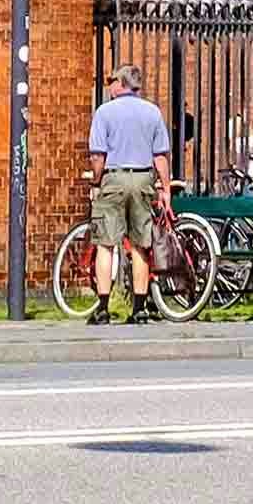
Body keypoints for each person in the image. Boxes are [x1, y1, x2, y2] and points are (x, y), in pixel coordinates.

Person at [85, 63, 175, 324]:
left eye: (111, 80)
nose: (109, 85)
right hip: (143, 178)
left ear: (120, 84)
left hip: (114, 177)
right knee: (140, 244)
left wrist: (97, 181)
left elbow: (97, 156)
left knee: (105, 243)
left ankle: (102, 308)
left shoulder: (105, 113)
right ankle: (139, 308)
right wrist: (166, 189)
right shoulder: (152, 112)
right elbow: (161, 157)